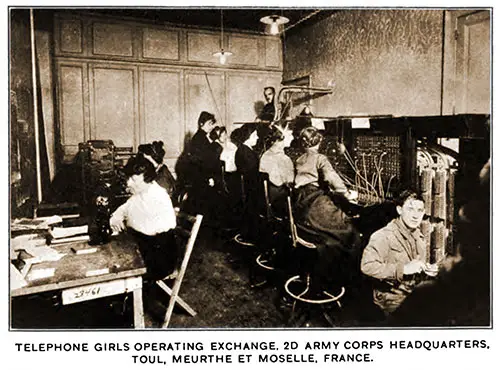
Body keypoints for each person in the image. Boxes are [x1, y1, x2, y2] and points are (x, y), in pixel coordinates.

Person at [360, 190, 439, 316]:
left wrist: (427, 269)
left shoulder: (418, 236)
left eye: (419, 210)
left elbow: (415, 264)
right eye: (410, 209)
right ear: (399, 210)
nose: (415, 215)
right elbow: (367, 266)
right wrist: (403, 269)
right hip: (390, 296)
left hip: (411, 290)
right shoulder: (384, 235)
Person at [110, 154, 177, 280]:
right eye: (128, 178)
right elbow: (123, 209)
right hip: (145, 247)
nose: (128, 183)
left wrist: (124, 222)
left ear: (147, 178)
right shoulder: (141, 193)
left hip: (160, 257)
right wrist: (117, 217)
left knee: (114, 265)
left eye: (134, 179)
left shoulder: (157, 196)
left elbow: (140, 226)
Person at [259, 122, 294, 216]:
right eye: (290, 134)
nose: (292, 137)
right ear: (280, 139)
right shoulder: (283, 158)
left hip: (270, 196)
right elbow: (288, 182)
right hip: (280, 199)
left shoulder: (265, 154)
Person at [234, 123, 260, 242]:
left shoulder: (244, 149)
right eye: (255, 136)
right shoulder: (245, 152)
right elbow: (253, 173)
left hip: (248, 188)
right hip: (251, 190)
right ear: (247, 137)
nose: (257, 138)